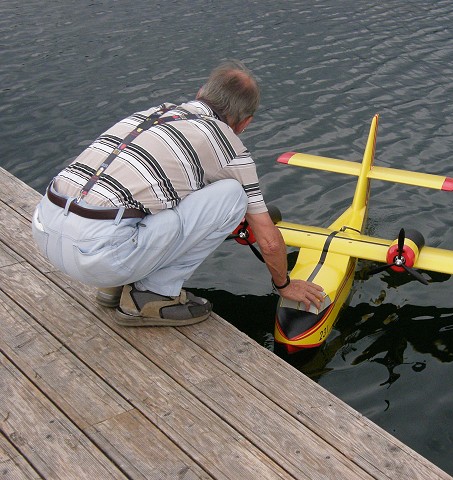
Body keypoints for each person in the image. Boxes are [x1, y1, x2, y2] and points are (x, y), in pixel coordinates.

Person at [31, 60, 324, 327]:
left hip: (45, 229)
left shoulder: (152, 115)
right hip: (101, 256)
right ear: (245, 123)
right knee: (234, 195)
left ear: (200, 94)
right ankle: (150, 296)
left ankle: (111, 288)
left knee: (145, 190)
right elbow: (269, 241)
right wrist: (284, 285)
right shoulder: (231, 149)